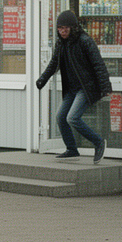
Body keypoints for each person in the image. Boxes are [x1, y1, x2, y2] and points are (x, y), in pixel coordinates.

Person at [35, 9, 111, 162]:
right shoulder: (60, 44)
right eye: (60, 28)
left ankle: (98, 142)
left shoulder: (85, 41)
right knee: (60, 117)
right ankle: (71, 149)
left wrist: (105, 87)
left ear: (73, 28)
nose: (63, 31)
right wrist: (42, 79)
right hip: (71, 89)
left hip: (86, 87)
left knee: (72, 118)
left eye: (66, 28)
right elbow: (53, 64)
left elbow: (98, 64)